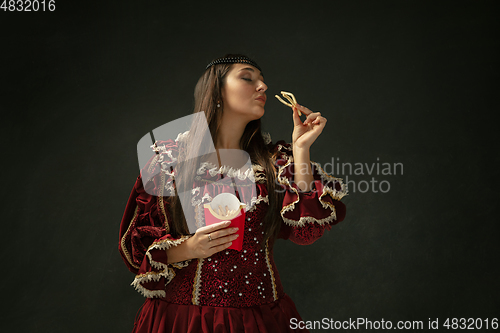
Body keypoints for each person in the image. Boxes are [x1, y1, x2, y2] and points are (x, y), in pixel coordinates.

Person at [119, 54, 348, 332]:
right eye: (248, 78)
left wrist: (301, 150)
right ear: (217, 89)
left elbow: (306, 232)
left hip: (260, 320)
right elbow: (137, 248)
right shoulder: (170, 159)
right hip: (183, 321)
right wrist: (190, 248)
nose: (263, 86)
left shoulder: (274, 162)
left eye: (263, 81)